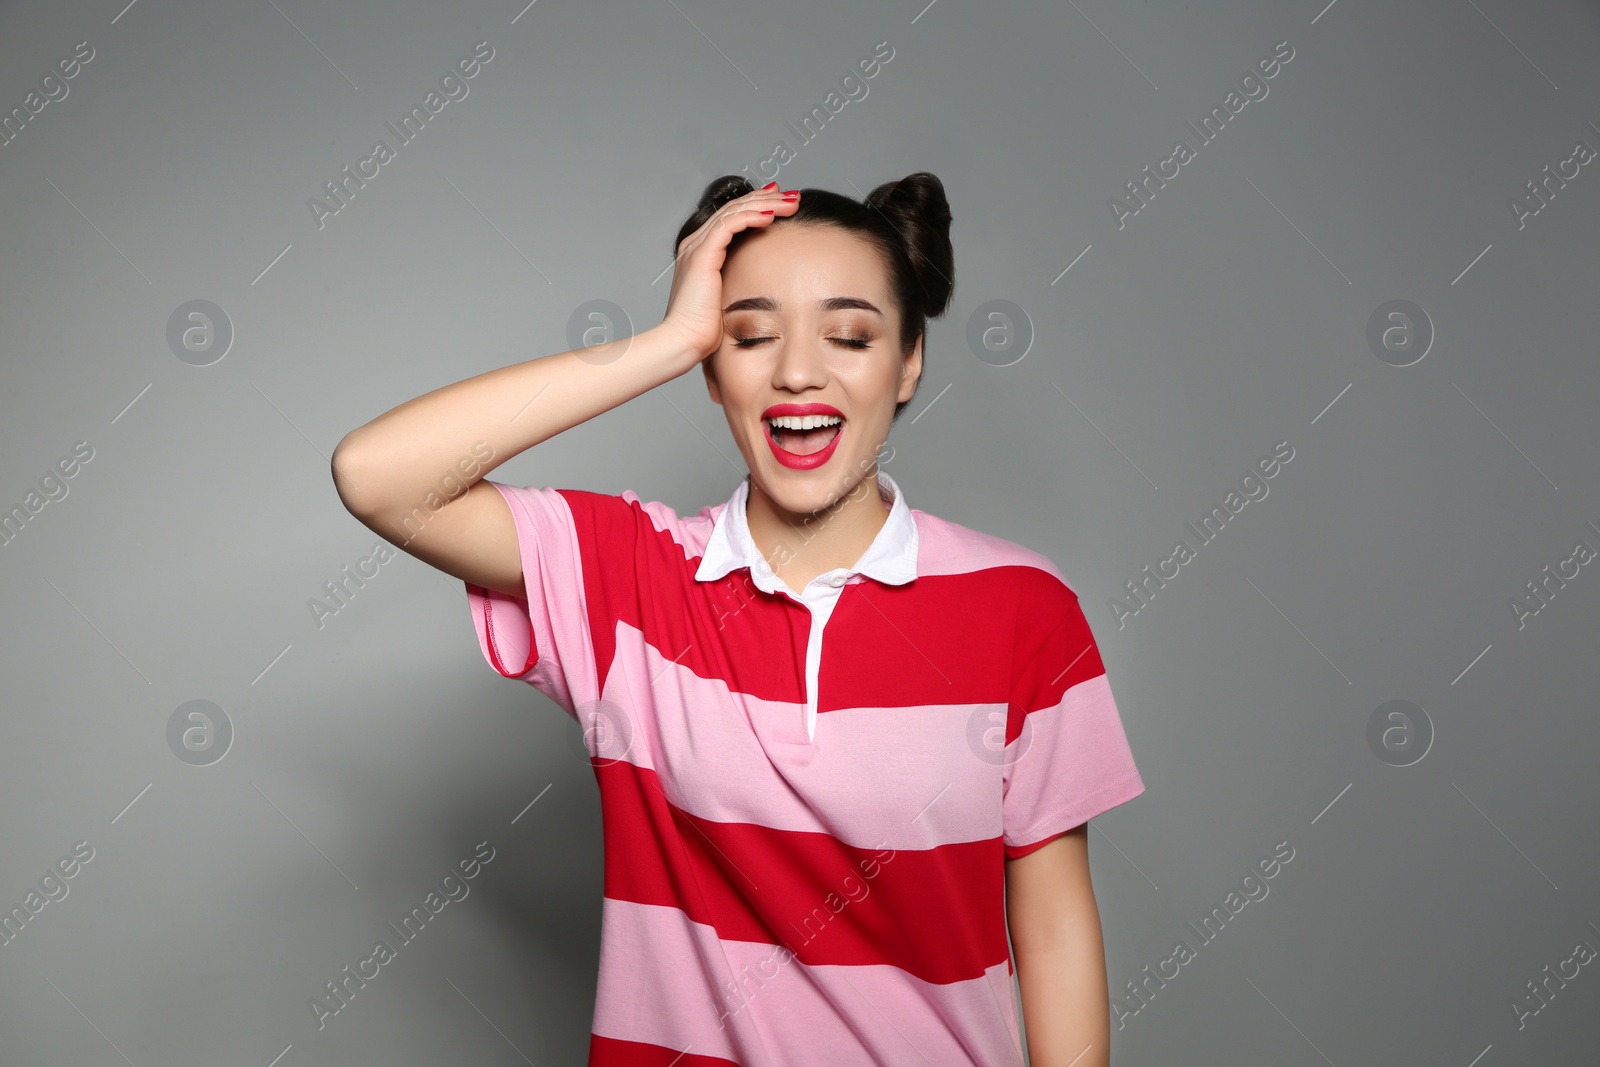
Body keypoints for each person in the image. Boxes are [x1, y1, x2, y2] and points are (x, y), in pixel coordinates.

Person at [331, 172, 1145, 1066]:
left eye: (850, 334)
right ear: (714, 372)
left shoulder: (1022, 606)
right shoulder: (629, 578)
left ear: (910, 359)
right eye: (750, 335)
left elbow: (1055, 921)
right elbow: (380, 475)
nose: (798, 370)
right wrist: (668, 339)